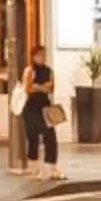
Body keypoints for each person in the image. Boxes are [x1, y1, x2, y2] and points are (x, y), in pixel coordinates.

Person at [18, 49, 62, 181]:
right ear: (33, 56)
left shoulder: (49, 71)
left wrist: (38, 86)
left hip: (45, 107)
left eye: (43, 55)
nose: (42, 57)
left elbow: (51, 88)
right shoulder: (29, 70)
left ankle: (51, 167)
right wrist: (41, 87)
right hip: (30, 107)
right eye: (39, 55)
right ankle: (33, 167)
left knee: (50, 136)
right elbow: (28, 88)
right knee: (33, 137)